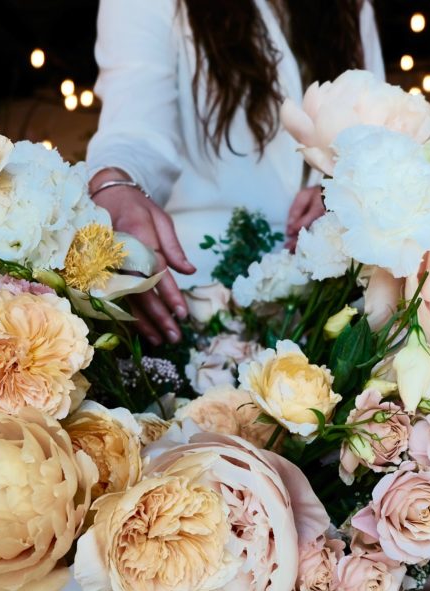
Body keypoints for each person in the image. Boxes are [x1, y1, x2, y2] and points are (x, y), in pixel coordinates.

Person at [86, 0, 385, 345]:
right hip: (201, 303)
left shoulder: (351, 7)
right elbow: (135, 127)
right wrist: (116, 182)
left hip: (334, 303)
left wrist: (340, 190)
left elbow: (373, 134)